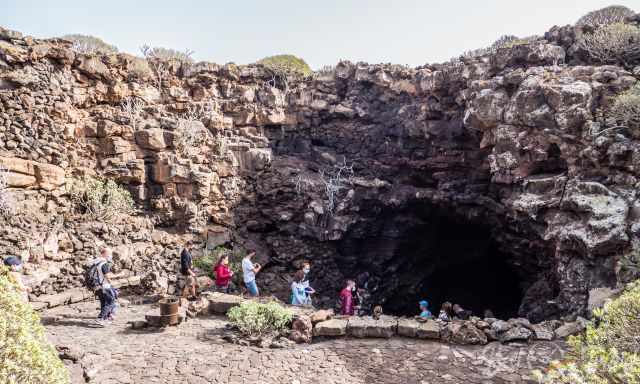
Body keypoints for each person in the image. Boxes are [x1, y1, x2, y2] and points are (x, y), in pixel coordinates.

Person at [89, 248, 121, 327]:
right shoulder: (104, 264)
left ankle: (105, 319)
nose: (110, 256)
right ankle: (100, 318)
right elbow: (108, 276)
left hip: (98, 286)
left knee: (104, 303)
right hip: (105, 287)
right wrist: (120, 275)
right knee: (110, 302)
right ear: (105, 254)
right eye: (109, 254)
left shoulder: (97, 263)